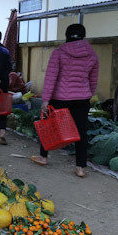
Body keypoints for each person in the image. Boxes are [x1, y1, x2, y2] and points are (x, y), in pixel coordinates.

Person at [31, 24, 99, 178]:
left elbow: (51, 78)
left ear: (67, 35)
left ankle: (43, 157)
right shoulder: (92, 55)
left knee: (50, 126)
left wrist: (45, 100)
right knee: (81, 132)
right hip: (82, 99)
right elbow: (93, 80)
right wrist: (87, 95)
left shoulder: (59, 53)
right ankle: (80, 168)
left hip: (60, 98)